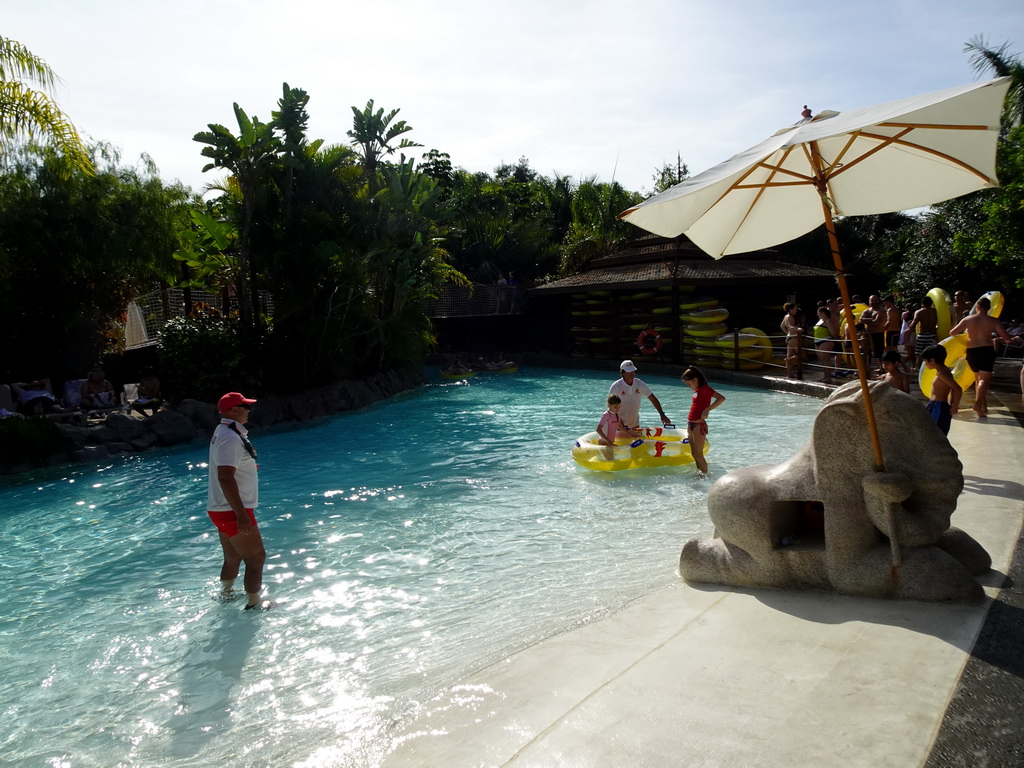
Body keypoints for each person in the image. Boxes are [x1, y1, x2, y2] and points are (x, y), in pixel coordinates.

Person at [207, 391, 270, 611]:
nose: (248, 411)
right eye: (246, 407)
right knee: (256, 558)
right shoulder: (230, 437)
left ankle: (225, 594)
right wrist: (241, 514)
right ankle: (254, 604)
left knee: (232, 556)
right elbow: (225, 476)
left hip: (221, 508)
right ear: (235, 410)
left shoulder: (223, 431)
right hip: (232, 510)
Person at [949, 296, 1014, 417]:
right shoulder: (993, 320)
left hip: (971, 350)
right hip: (986, 350)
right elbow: (1006, 337)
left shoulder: (968, 319)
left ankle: (983, 407)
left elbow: (952, 332)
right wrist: (1010, 339)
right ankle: (978, 404)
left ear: (977, 307)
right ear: (989, 308)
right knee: (984, 379)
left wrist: (966, 338)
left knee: (978, 378)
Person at [681, 366, 726, 476]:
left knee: (698, 454)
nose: (689, 386)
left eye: (689, 384)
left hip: (698, 425)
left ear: (695, 380)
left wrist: (708, 409)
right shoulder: (697, 391)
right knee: (694, 453)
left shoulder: (705, 389)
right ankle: (699, 474)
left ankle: (705, 476)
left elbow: (721, 398)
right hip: (690, 424)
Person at [609, 360, 672, 431]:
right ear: (622, 372)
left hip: (635, 424)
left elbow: (653, 398)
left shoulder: (640, 384)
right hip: (618, 425)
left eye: (633, 371)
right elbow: (610, 406)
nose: (632, 373)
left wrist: (662, 414)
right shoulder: (616, 386)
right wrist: (617, 421)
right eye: (629, 371)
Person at [920, 345, 961, 435]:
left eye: (925, 361)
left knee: (935, 434)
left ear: (932, 360)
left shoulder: (942, 374)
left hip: (938, 406)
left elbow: (957, 388)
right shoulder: (943, 371)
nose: (925, 364)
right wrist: (952, 402)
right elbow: (953, 388)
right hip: (935, 405)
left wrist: (955, 406)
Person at [858, 295, 886, 369]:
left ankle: (882, 368)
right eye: (871, 300)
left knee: (878, 353)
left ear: (878, 300)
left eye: (875, 300)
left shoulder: (881, 311)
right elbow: (860, 320)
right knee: (867, 353)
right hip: (868, 334)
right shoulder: (867, 310)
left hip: (878, 334)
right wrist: (871, 319)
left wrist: (866, 321)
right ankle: (866, 369)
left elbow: (876, 322)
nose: (873, 302)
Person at [911, 295, 939, 365]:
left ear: (922, 304)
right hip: (932, 335)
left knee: (920, 355)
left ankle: (920, 371)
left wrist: (908, 333)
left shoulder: (919, 312)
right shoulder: (936, 312)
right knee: (933, 355)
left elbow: (913, 324)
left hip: (922, 336)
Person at [812, 306, 837, 381]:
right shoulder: (819, 320)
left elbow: (833, 333)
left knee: (826, 360)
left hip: (825, 341)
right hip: (817, 341)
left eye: (818, 313)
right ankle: (825, 376)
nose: (817, 314)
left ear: (823, 313)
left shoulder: (828, 321)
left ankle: (828, 377)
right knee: (822, 360)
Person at [780, 302, 803, 378]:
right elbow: (791, 326)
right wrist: (798, 328)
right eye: (794, 309)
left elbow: (782, 326)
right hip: (794, 338)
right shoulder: (790, 317)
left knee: (789, 354)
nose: (796, 311)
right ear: (790, 310)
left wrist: (787, 333)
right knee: (800, 355)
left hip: (789, 337)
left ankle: (789, 374)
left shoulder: (786, 316)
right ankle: (788, 360)